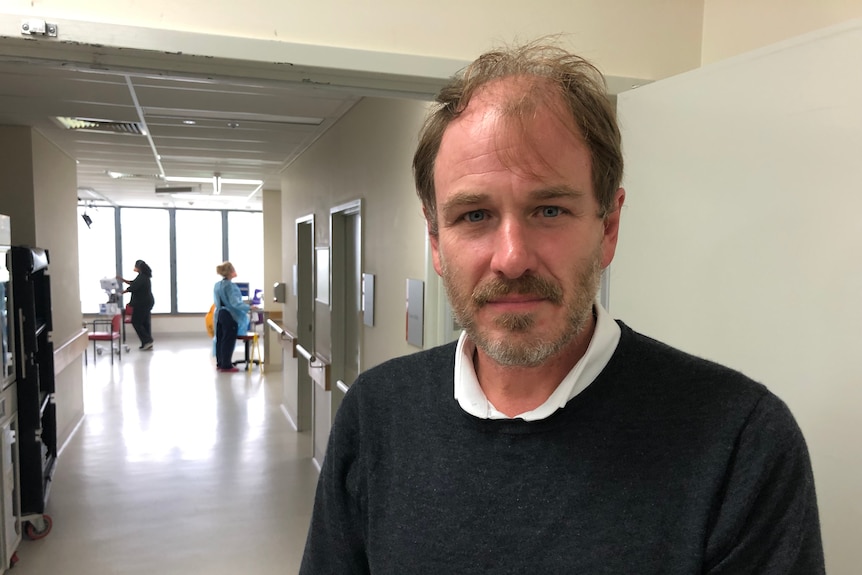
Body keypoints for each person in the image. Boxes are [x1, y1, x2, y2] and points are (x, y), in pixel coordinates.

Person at [300, 40, 825, 574]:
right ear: (436, 242)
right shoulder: (376, 413)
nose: (511, 258)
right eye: (475, 215)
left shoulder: (740, 442)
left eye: (549, 209)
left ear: (608, 227)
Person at [213, 261, 249, 373]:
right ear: (230, 271)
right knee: (228, 339)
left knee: (220, 339)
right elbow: (235, 303)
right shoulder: (229, 285)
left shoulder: (217, 285)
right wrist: (249, 307)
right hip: (229, 316)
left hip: (219, 314)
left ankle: (221, 363)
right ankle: (227, 365)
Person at [119, 260, 154, 350]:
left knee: (136, 322)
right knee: (145, 323)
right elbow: (133, 283)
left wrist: (122, 293)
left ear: (139, 267)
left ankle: (147, 340)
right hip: (147, 302)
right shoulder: (143, 276)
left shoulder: (142, 277)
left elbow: (133, 287)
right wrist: (122, 280)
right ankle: (147, 343)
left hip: (142, 303)